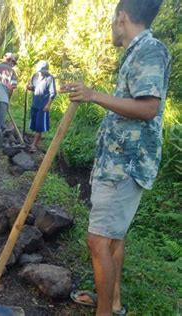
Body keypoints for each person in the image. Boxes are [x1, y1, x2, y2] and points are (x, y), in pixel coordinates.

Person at [61, 1, 170, 315]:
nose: (112, 24)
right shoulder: (138, 52)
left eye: (113, 18)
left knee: (98, 241)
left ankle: (104, 312)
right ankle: (114, 303)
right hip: (118, 162)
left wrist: (93, 95)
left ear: (122, 17)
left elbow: (148, 107)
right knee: (112, 238)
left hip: (125, 164)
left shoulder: (150, 50)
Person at [27, 60, 56, 153]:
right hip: (34, 104)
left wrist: (48, 104)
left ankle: (34, 145)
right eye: (40, 71)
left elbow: (53, 93)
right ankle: (36, 142)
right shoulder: (35, 76)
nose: (42, 73)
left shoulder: (50, 78)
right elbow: (34, 88)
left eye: (43, 71)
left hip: (43, 106)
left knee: (39, 127)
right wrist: (29, 88)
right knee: (34, 125)